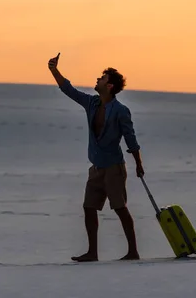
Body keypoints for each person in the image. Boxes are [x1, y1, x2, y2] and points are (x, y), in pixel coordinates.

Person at [47, 52, 145, 262]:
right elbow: (69, 90)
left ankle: (133, 251)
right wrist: (54, 70)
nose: (97, 80)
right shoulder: (92, 103)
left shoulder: (120, 110)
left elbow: (130, 138)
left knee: (120, 208)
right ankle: (92, 252)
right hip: (97, 167)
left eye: (102, 78)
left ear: (109, 86)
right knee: (89, 207)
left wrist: (138, 163)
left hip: (114, 168)